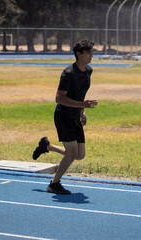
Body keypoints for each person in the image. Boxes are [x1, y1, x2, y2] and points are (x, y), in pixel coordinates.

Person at [32, 40, 98, 195]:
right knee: (72, 153)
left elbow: (81, 92)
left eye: (91, 52)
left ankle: (47, 146)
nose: (91, 55)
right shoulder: (68, 73)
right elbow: (59, 98)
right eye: (88, 52)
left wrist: (82, 110)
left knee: (79, 155)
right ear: (78, 54)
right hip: (64, 116)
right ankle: (54, 184)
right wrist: (82, 104)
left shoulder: (89, 71)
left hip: (75, 115)